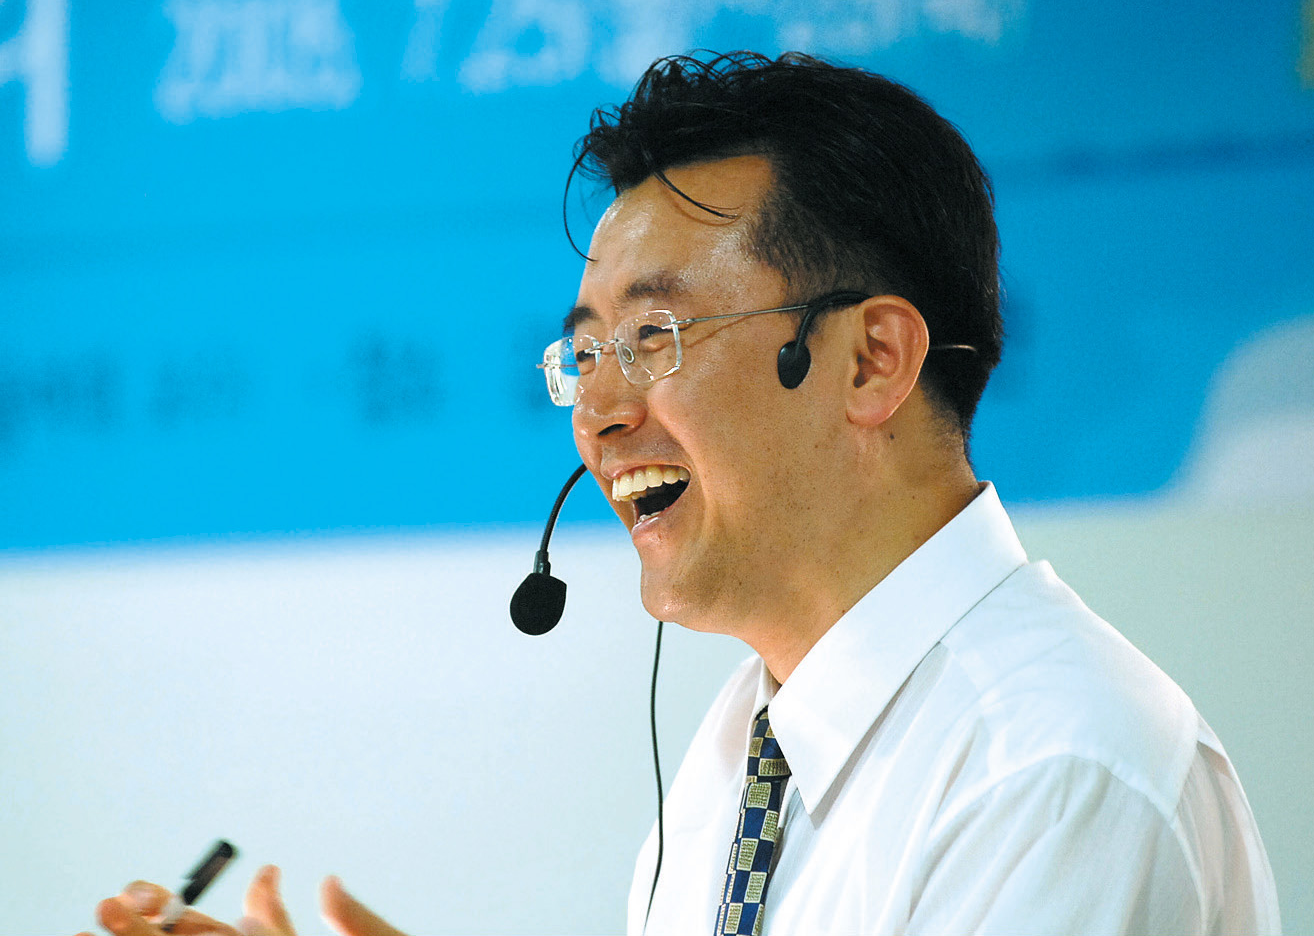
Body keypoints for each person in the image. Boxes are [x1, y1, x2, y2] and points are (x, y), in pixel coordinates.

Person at [80, 51, 1280, 936]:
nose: (598, 413)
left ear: (872, 360)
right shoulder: (738, 760)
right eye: (583, 352)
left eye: (655, 336)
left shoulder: (1056, 770)